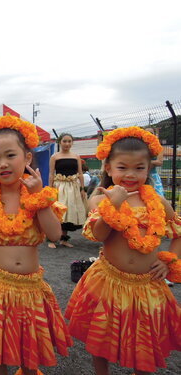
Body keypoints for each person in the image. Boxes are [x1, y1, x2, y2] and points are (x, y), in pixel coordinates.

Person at [0, 115, 72, 375]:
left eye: (10, 156)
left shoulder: (38, 195)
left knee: (29, 353)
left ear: (27, 158)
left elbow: (53, 234)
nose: (3, 164)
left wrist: (40, 199)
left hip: (30, 288)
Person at [65, 126, 181, 375]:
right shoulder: (100, 199)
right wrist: (113, 208)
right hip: (109, 281)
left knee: (145, 342)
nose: (131, 174)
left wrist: (169, 260)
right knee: (100, 339)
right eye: (122, 167)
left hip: (148, 284)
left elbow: (178, 233)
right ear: (108, 168)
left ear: (149, 168)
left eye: (139, 168)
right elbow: (98, 235)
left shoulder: (157, 201)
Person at [48, 133, 87, 248]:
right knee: (57, 212)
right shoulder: (54, 157)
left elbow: (80, 173)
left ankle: (64, 239)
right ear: (60, 142)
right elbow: (51, 174)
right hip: (59, 187)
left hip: (73, 187)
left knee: (68, 213)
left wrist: (82, 189)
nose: (67, 144)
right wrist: (50, 189)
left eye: (69, 141)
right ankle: (51, 239)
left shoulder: (76, 156)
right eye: (65, 141)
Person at [145, 127, 165, 197]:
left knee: (158, 198)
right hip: (142, 176)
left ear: (154, 135)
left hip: (153, 176)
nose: (149, 135)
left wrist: (146, 162)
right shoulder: (140, 147)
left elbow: (159, 162)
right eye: (146, 133)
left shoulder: (159, 148)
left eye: (151, 133)